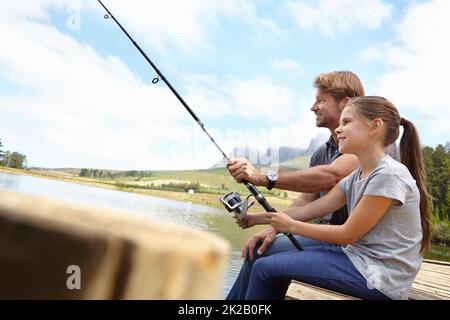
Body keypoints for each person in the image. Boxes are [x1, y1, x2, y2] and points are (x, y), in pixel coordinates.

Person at [242, 96, 430, 300]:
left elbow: (347, 235)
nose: (338, 129)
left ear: (375, 126)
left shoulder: (388, 174)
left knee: (264, 269)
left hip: (381, 276)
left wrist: (290, 226)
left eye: (347, 122)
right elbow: (308, 211)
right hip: (357, 259)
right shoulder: (356, 177)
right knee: (263, 259)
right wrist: (255, 218)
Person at [226, 71, 365, 299]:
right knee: (258, 250)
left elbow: (332, 175)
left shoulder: (369, 145)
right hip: (323, 237)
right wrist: (271, 227)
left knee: (263, 255)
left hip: (348, 246)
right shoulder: (322, 152)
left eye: (321, 100)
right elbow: (305, 202)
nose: (313, 107)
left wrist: (262, 177)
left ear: (345, 103)